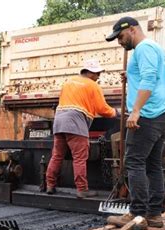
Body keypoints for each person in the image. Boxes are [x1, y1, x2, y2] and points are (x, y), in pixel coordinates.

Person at [105, 17, 165, 229]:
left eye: (121, 36)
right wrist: (131, 75)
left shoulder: (143, 48)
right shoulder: (154, 49)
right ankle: (154, 215)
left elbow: (150, 78)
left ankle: (137, 215)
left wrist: (135, 111)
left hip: (148, 114)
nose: (119, 41)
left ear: (132, 30)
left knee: (134, 162)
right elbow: (151, 76)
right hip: (161, 113)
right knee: (153, 165)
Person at [45, 59, 119, 198]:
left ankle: (50, 185)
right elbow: (102, 109)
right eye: (97, 74)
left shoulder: (69, 82)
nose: (98, 77)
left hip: (59, 120)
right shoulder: (92, 86)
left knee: (57, 155)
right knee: (79, 157)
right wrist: (117, 113)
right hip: (75, 123)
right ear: (90, 73)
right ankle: (82, 189)